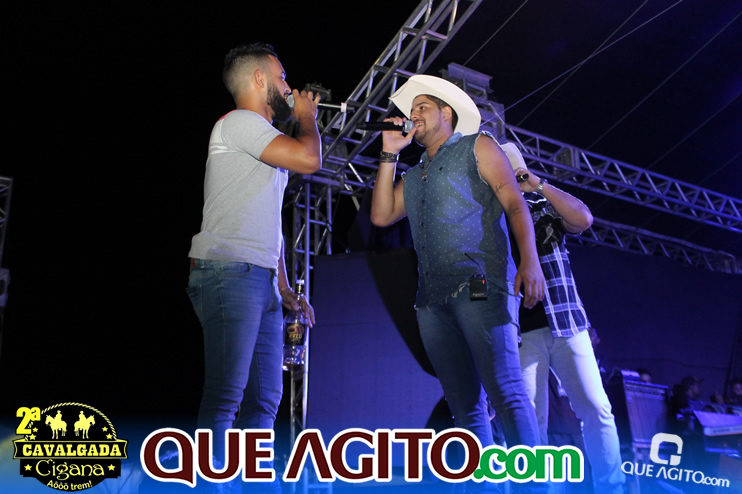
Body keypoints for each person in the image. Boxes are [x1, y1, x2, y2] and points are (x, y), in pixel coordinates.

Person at [370, 75, 547, 490]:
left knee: (506, 391)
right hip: (431, 300)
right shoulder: (414, 174)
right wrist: (388, 153)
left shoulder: (477, 146)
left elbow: (514, 201)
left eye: (422, 107)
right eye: (411, 110)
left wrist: (531, 260)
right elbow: (380, 215)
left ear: (446, 113)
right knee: (465, 408)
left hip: (479, 282)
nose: (413, 115)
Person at [187, 42, 318, 492]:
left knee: (265, 399)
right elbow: (310, 158)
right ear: (260, 79)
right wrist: (307, 118)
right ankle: (209, 485)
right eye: (282, 77)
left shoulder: (263, 138)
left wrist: (284, 287)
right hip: (229, 272)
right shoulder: (240, 122)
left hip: (260, 278)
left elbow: (269, 223)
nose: (288, 86)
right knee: (226, 394)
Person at [509, 156, 625, 494]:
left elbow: (583, 219)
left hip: (566, 320)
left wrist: (539, 184)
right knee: (530, 421)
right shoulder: (492, 214)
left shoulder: (543, 205)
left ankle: (612, 489)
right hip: (520, 330)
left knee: (597, 409)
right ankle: (536, 491)